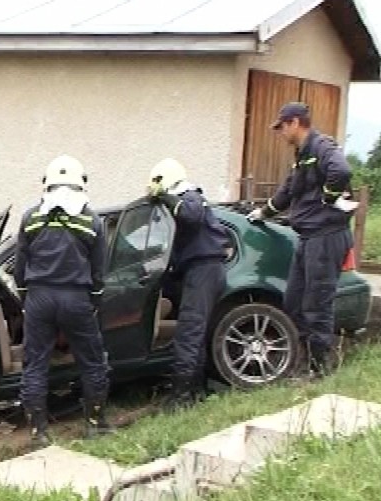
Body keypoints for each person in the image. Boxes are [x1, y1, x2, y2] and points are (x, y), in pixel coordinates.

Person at [247, 102, 355, 378]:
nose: (280, 133)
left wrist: (329, 198)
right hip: (308, 237)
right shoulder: (302, 155)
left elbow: (341, 172)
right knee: (294, 301)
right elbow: (287, 191)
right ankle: (302, 360)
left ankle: (319, 370)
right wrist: (262, 213)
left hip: (326, 236)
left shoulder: (322, 147)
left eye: (282, 126)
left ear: (295, 122)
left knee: (317, 304)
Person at [14, 154, 113, 446]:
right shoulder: (90, 220)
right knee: (93, 362)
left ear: (47, 184)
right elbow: (99, 270)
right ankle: (95, 424)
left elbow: (20, 265)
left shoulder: (30, 218)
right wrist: (93, 300)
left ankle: (38, 433)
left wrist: (25, 297)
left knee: (35, 365)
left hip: (39, 298)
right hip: (76, 298)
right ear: (81, 184)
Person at [146, 159, 231, 410]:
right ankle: (197, 391)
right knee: (196, 333)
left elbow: (189, 215)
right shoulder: (184, 200)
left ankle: (181, 398)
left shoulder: (190, 196)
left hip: (203, 270)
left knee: (189, 334)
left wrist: (166, 197)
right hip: (201, 271)